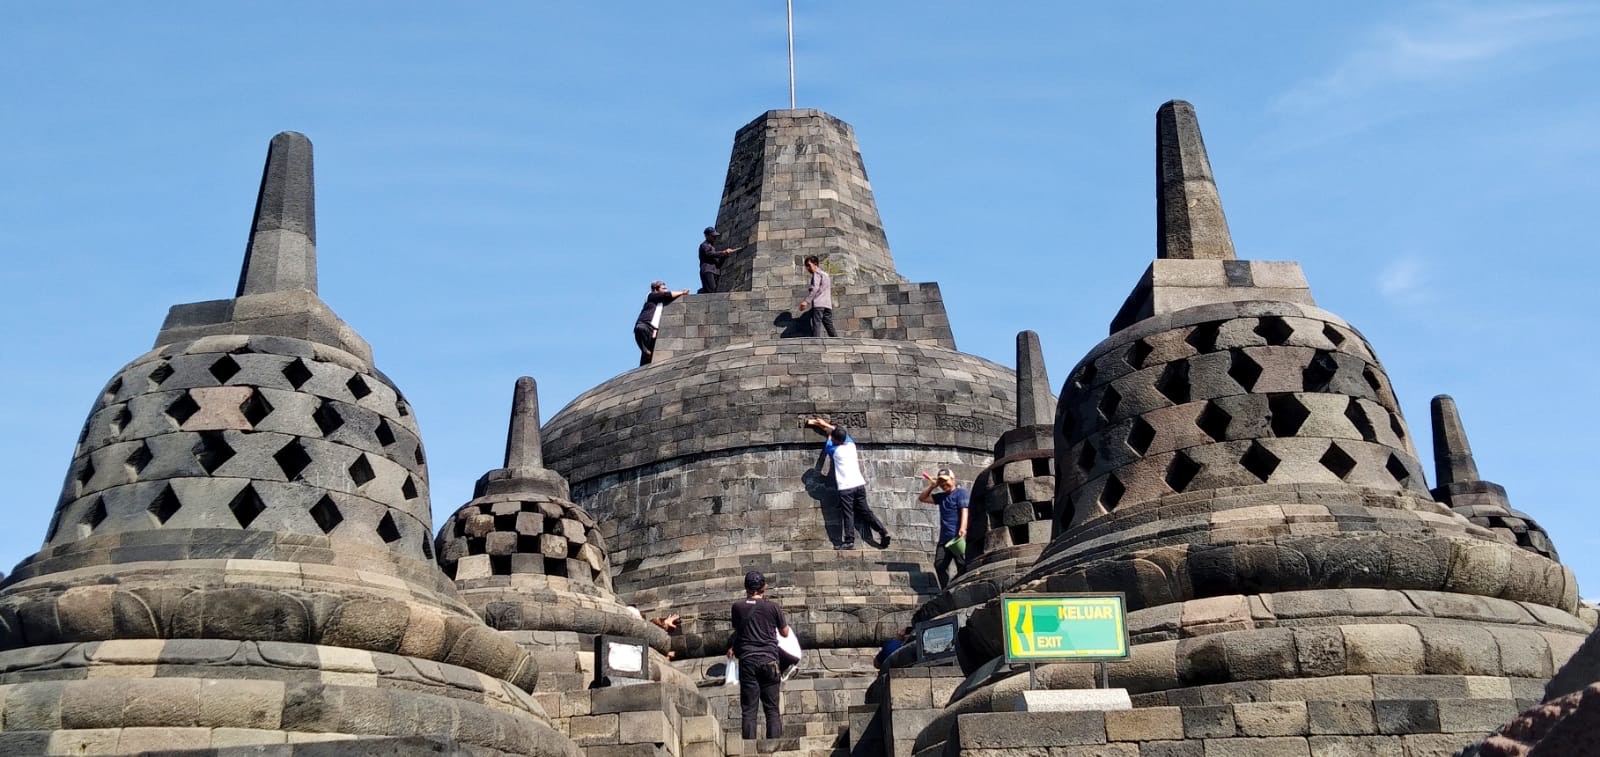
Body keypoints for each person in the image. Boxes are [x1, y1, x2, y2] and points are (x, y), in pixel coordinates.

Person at [804, 418, 891, 551]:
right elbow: (836, 432)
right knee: (866, 511)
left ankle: (849, 541)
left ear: (835, 440)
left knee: (848, 514)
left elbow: (828, 437)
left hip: (846, 488)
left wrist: (820, 423)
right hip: (859, 484)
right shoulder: (851, 445)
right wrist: (825, 424)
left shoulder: (833, 450)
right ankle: (883, 531)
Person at [728, 570, 791, 741]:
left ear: (745, 587)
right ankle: (774, 749)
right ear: (764, 587)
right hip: (769, 660)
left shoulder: (738, 607)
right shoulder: (772, 607)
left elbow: (738, 630)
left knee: (749, 710)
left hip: (747, 661)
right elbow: (785, 633)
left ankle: (748, 750)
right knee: (772, 709)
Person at [919, 468, 969, 590]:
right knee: (939, 565)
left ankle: (959, 588)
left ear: (953, 480)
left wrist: (963, 528)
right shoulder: (941, 497)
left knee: (963, 566)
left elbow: (965, 511)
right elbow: (923, 498)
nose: (943, 484)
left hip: (957, 537)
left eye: (946, 481)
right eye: (941, 482)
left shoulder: (961, 493)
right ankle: (946, 591)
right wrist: (932, 486)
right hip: (944, 539)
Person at [634, 280, 689, 366]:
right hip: (646, 323)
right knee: (640, 328)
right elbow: (667, 295)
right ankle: (645, 350)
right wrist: (682, 292)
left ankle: (646, 358)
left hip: (655, 329)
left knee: (648, 357)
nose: (665, 289)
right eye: (663, 288)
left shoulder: (662, 302)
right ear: (656, 289)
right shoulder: (651, 296)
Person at [797, 255, 837, 337]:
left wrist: (806, 301)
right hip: (827, 305)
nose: (808, 268)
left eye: (809, 265)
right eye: (806, 266)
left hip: (819, 303)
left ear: (815, 263)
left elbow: (815, 288)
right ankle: (837, 341)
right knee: (829, 325)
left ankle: (816, 343)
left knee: (816, 324)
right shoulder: (825, 274)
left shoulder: (817, 274)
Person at [697, 227, 738, 293]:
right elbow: (710, 254)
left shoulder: (712, 247)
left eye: (715, 236)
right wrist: (723, 252)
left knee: (712, 290)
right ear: (706, 236)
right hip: (708, 270)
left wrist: (725, 256)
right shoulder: (704, 245)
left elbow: (718, 263)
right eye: (713, 236)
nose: (715, 238)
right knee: (711, 290)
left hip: (715, 271)